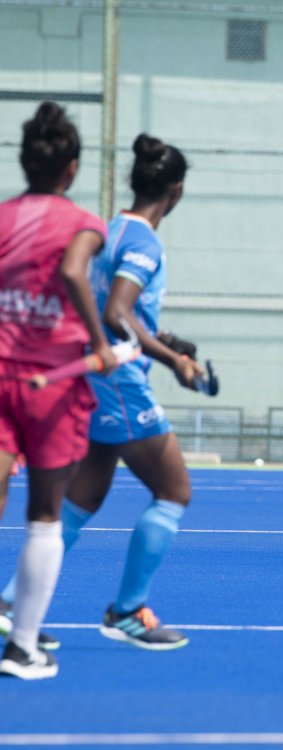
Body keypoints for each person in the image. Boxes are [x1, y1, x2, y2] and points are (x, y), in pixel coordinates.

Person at [0, 133, 202, 651]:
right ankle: (128, 611)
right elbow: (116, 314)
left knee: (80, 501)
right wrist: (173, 358)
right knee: (175, 491)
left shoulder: (109, 230)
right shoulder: (143, 241)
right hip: (120, 385)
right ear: (175, 192)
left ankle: (7, 605)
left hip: (92, 380)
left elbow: (119, 310)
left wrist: (167, 338)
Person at [0, 102, 116, 679]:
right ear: (71, 168)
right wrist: (98, 342)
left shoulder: (1, 218)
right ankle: (21, 649)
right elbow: (73, 271)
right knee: (44, 515)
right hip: (50, 390)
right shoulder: (84, 222)